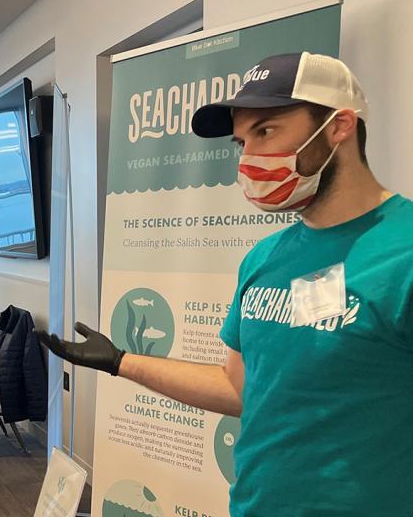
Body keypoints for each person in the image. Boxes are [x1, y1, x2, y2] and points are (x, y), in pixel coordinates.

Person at [38, 52, 413, 516]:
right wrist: (119, 361)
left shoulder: (404, 252)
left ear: (340, 126)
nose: (251, 157)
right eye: (242, 142)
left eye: (267, 131)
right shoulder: (265, 258)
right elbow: (238, 388)